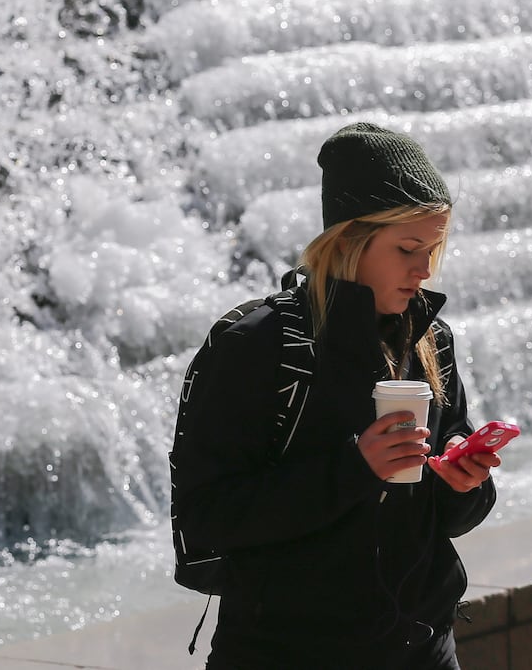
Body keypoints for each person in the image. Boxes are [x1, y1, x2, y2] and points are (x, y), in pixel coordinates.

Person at [172, 122, 501, 669]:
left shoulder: (429, 338)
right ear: (347, 240)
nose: (424, 271)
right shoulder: (258, 346)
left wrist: (464, 482)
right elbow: (206, 516)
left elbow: (445, 517)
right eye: (408, 249)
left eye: (434, 249)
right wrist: (353, 467)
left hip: (424, 648)